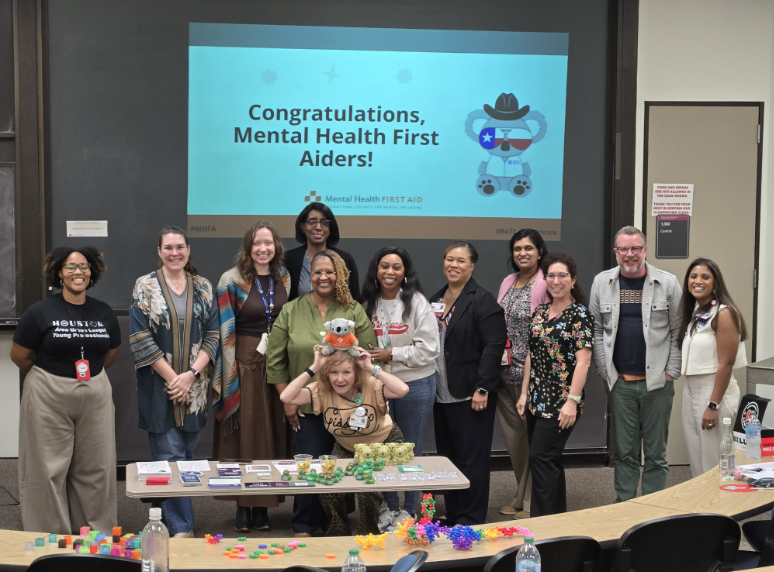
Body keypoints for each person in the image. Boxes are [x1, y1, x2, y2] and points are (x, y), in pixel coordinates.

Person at [11, 246, 121, 534]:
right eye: (70, 267)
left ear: (92, 272)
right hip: (49, 392)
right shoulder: (39, 312)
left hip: (95, 392)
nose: (78, 272)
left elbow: (110, 353)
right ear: (59, 272)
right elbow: (19, 355)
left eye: (83, 267)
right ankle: (51, 534)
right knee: (48, 468)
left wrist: (87, 380)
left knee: (96, 469)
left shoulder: (104, 312)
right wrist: (53, 380)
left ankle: (94, 532)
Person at [267, 249, 377, 537]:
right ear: (310, 276)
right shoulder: (291, 310)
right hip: (305, 405)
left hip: (346, 408)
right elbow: (275, 360)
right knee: (311, 464)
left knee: (340, 464)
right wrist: (288, 402)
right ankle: (304, 524)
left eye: (330, 272)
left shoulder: (353, 309)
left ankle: (335, 523)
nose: (323, 277)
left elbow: (367, 357)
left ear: (339, 275)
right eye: (317, 272)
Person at [130, 226, 219, 538]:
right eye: (168, 247)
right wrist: (174, 380)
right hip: (160, 387)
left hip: (195, 386)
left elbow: (214, 335)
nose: (175, 253)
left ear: (188, 249)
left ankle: (176, 519)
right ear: (159, 251)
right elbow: (140, 338)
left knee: (187, 455)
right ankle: (181, 527)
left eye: (180, 247)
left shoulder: (204, 287)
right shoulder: (145, 286)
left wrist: (190, 376)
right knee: (169, 456)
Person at [589, 226, 682, 502]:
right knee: (625, 453)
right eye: (623, 249)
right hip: (620, 384)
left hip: (657, 385)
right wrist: (605, 370)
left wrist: (671, 372)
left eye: (635, 248)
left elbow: (678, 330)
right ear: (616, 252)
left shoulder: (667, 283)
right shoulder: (601, 283)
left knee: (656, 454)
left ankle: (653, 512)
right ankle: (626, 509)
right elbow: (595, 329)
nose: (630, 255)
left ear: (645, 250)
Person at [211, 220, 293, 532]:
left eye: (268, 243)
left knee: (270, 434)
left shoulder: (282, 275)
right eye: (257, 243)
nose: (263, 249)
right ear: (248, 247)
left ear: (276, 246)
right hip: (242, 365)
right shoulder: (230, 280)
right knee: (243, 437)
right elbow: (224, 331)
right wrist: (231, 377)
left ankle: (264, 506)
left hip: (276, 367)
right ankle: (243, 505)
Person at [280, 346, 409, 535]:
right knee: (329, 487)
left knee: (367, 489)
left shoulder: (369, 384)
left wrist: (371, 367)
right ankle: (339, 533)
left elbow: (402, 390)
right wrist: (314, 367)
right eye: (334, 372)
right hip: (348, 445)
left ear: (355, 373)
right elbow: (286, 396)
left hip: (382, 442)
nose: (340, 379)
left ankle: (369, 535)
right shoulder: (322, 389)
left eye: (346, 372)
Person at [360, 247, 439, 530]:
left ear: (405, 272)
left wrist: (391, 355)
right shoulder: (368, 302)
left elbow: (430, 349)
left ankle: (410, 510)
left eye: (396, 267)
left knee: (410, 448)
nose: (390, 272)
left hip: (414, 383)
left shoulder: (417, 302)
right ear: (376, 270)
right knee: (382, 447)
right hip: (378, 386)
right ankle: (390, 507)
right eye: (384, 266)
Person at [430, 241, 507, 525]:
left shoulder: (482, 300)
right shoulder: (436, 298)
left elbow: (494, 346)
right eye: (449, 259)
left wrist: (483, 388)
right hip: (442, 393)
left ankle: (471, 515)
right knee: (448, 457)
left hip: (472, 394)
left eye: (461, 261)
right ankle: (454, 511)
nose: (454, 265)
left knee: (471, 459)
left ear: (472, 266)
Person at [517, 252, 593, 516]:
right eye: (551, 275)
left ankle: (542, 525)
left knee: (542, 458)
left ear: (573, 280)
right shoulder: (539, 312)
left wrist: (572, 402)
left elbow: (583, 362)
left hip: (561, 401)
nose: (556, 280)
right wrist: (524, 393)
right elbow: (530, 354)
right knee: (548, 460)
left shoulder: (579, 315)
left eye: (563, 275)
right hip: (536, 399)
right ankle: (557, 520)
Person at [496, 229, 550, 520]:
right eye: (517, 249)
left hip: (533, 373)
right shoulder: (508, 281)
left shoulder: (545, 282)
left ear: (540, 252)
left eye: (529, 248)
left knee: (533, 441)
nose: (522, 253)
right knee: (515, 441)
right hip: (505, 374)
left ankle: (531, 502)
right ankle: (520, 495)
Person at [678, 258, 747, 476]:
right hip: (691, 390)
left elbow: (726, 364)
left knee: (716, 464)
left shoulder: (724, 313)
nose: (698, 281)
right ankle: (703, 510)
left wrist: (713, 405)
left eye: (705, 277)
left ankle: (723, 509)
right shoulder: (698, 312)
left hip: (714, 391)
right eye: (693, 276)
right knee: (698, 461)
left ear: (715, 283)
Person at [284, 203, 360, 301]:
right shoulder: (288, 260)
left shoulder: (345, 260)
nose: (318, 227)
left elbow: (355, 300)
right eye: (312, 221)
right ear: (303, 227)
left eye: (324, 222)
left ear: (330, 227)